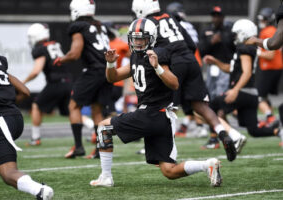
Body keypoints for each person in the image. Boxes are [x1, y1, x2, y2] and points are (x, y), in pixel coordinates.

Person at [89, 18, 222, 187]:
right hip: (161, 119)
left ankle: (106, 177)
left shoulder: (158, 54)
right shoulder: (137, 57)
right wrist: (110, 63)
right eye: (134, 38)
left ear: (151, 37)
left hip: (150, 113)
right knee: (169, 171)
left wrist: (158, 66)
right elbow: (113, 77)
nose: (137, 42)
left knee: (103, 128)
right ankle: (207, 165)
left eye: (141, 38)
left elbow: (174, 83)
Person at [132, 0, 237, 161]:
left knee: (168, 106)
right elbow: (191, 44)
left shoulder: (148, 23)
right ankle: (223, 133)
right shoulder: (170, 17)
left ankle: (168, 148)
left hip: (174, 63)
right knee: (200, 105)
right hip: (190, 59)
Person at [0, 53, 53, 199]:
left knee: (8, 174)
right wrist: (5, 103)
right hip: (14, 117)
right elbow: (25, 92)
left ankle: (39, 190)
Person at [203, 19, 282, 146]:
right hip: (251, 94)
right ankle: (280, 132)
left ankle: (227, 138)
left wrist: (235, 90)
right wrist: (215, 62)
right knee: (254, 130)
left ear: (243, 33)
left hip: (242, 92)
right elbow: (231, 69)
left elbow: (247, 72)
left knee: (209, 108)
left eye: (236, 33)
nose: (234, 36)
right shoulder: (247, 48)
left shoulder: (245, 48)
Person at [53, 0, 112, 158]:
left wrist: (61, 59)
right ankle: (101, 149)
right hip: (107, 71)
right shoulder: (100, 25)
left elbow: (75, 53)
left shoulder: (78, 26)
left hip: (93, 71)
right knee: (97, 110)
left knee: (73, 106)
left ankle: (78, 146)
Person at [24, 23, 72, 146]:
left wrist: (23, 82)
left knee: (36, 105)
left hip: (55, 83)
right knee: (72, 111)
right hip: (67, 81)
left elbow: (36, 71)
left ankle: (35, 138)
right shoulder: (55, 44)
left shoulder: (40, 49)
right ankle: (94, 131)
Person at [166, 1, 208, 138]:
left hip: (181, 64)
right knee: (191, 100)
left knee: (172, 100)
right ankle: (196, 126)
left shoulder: (175, 25)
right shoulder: (188, 25)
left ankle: (168, 134)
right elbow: (195, 45)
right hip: (194, 62)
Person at [198, 6, 235, 101]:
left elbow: (234, 50)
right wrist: (211, 42)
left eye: (218, 16)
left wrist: (223, 41)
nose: (215, 18)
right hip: (211, 67)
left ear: (222, 17)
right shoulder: (206, 31)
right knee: (211, 92)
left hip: (225, 67)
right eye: (214, 16)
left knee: (222, 93)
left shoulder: (229, 31)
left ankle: (220, 113)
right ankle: (215, 113)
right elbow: (201, 51)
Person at [255, 8, 283, 128]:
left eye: (264, 19)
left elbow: (271, 54)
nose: (262, 21)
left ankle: (270, 117)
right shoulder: (272, 30)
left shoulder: (268, 31)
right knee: (265, 96)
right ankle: (270, 118)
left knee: (258, 96)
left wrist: (256, 52)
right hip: (275, 68)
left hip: (269, 68)